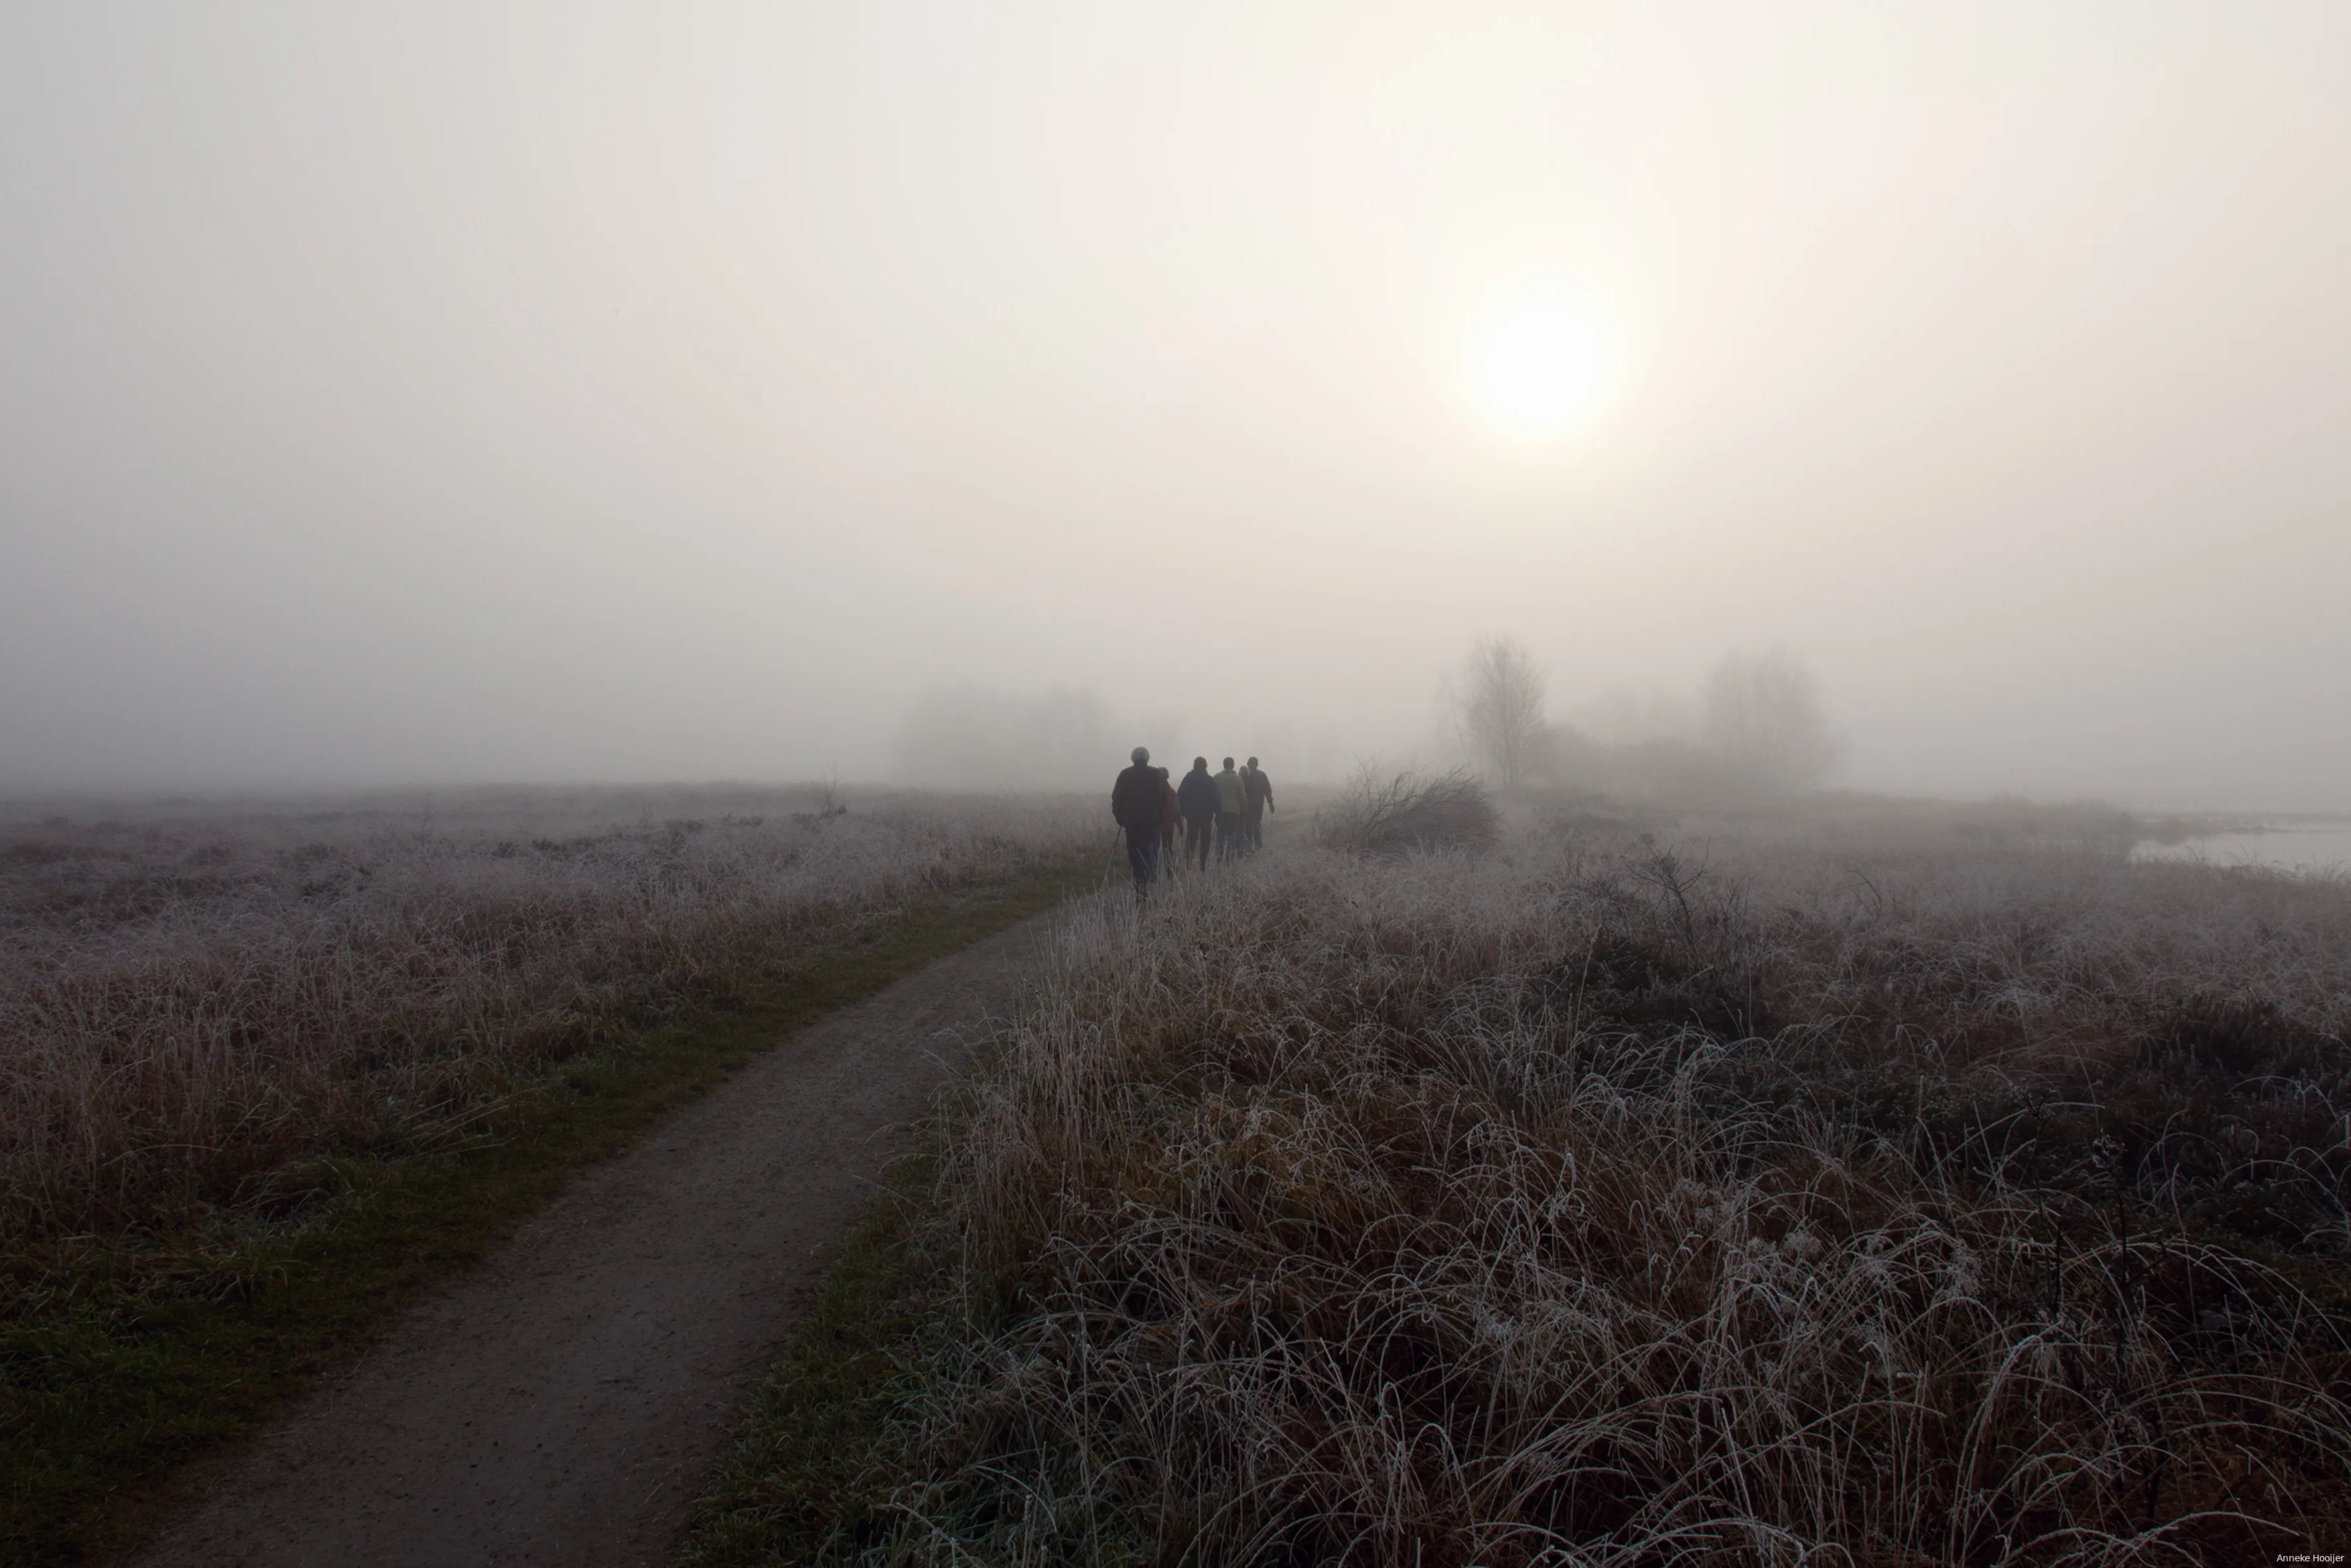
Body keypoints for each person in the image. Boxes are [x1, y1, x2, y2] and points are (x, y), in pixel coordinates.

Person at [1109, 746, 1163, 892]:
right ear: (1147, 759)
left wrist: (1120, 818)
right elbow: (1161, 798)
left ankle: (1139, 878)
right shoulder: (1154, 774)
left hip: (1131, 823)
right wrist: (1161, 817)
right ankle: (1146, 877)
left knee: (1134, 851)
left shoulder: (1125, 774)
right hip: (1151, 822)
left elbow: (1117, 798)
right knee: (1150, 851)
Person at [1176, 755, 1220, 871]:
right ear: (1205, 766)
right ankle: (1203, 863)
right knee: (1205, 839)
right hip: (1206, 815)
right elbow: (1216, 797)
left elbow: (1180, 795)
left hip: (1191, 815)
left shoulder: (1188, 778)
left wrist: (1182, 811)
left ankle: (1189, 862)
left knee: (1191, 838)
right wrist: (1218, 813)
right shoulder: (1210, 780)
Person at [1214, 756, 1246, 861]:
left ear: (1224, 765)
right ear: (1233, 766)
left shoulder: (1217, 778)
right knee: (1231, 834)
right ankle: (1230, 857)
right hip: (1234, 811)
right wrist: (1244, 810)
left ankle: (1219, 855)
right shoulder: (1238, 778)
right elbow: (1242, 797)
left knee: (1221, 833)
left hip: (1220, 811)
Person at [1243, 756, 1275, 851]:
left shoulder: (1244, 775)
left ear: (1248, 764)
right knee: (1257, 824)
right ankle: (1258, 846)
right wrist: (1270, 803)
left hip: (1247, 804)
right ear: (1257, 765)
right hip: (1258, 804)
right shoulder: (1262, 775)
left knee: (1248, 825)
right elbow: (1267, 790)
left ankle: (1248, 847)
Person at [1157, 765, 1182, 869]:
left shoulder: (1150, 792)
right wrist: (1180, 825)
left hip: (1153, 826)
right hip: (1168, 825)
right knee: (1167, 847)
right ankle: (1168, 869)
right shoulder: (1171, 792)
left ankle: (1154, 870)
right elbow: (1176, 810)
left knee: (1153, 848)